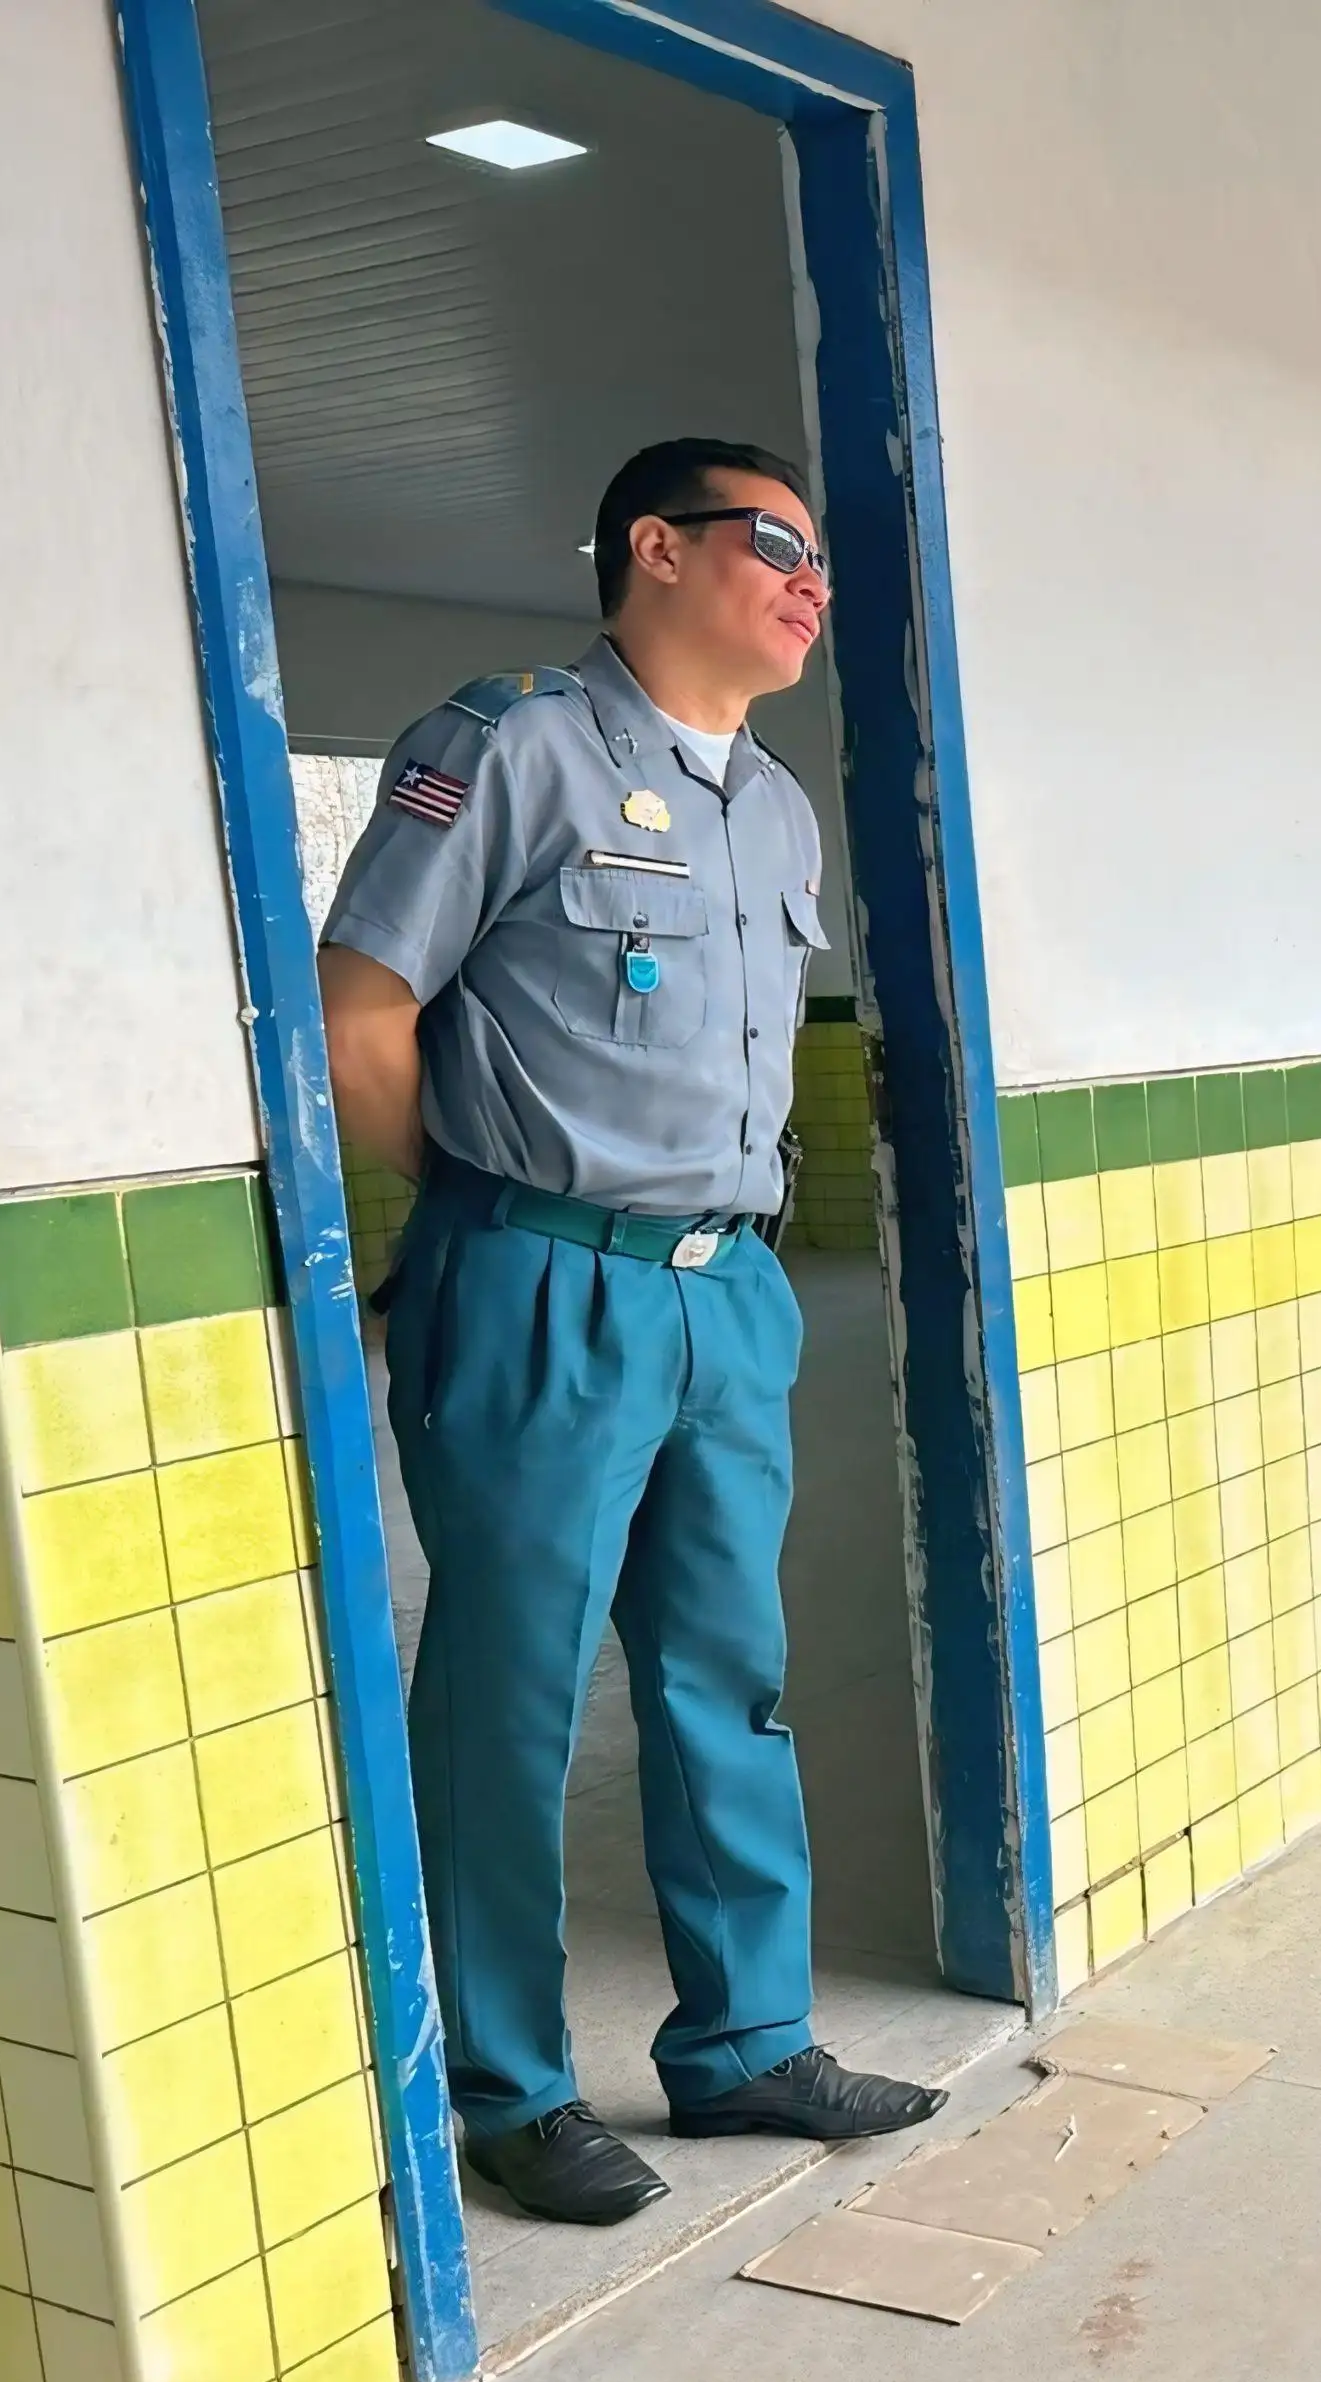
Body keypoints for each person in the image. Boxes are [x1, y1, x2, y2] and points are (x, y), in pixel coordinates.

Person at [318, 438, 943, 2227]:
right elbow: (364, 1004)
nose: (812, 582)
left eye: (821, 561)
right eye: (779, 546)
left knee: (724, 1676)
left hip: (726, 1290)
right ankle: (507, 2083)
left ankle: (745, 2041)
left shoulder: (775, 805)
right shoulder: (508, 745)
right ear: (654, 551)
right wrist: (483, 1201)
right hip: (539, 1277)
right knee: (511, 1694)